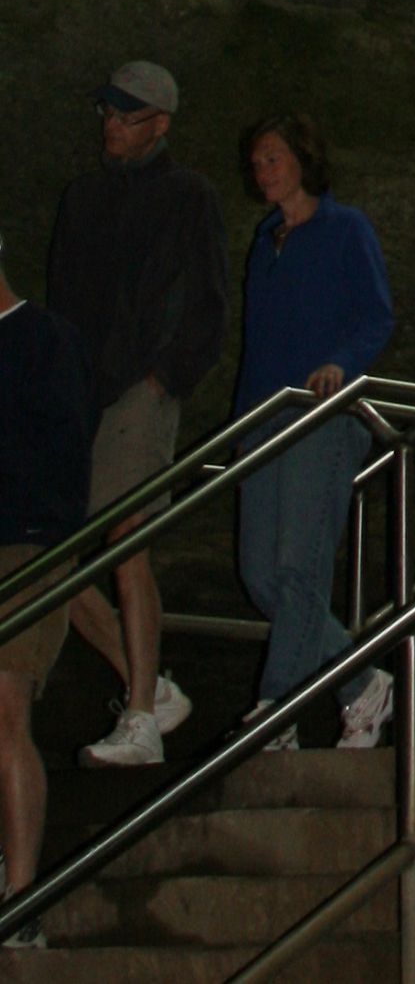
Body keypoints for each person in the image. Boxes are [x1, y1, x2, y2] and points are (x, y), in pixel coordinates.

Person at [43, 60, 228, 769]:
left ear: (161, 124)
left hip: (139, 391)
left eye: (127, 116)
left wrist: (162, 379)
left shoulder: (188, 196)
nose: (112, 126)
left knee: (125, 537)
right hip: (82, 392)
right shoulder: (83, 197)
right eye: (108, 114)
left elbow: (207, 301)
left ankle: (143, 716)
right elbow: (62, 301)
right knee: (45, 558)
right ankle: (151, 685)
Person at [231, 116, 396, 754]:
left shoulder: (345, 227)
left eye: (272, 158)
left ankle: (276, 713)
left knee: (299, 567)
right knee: (261, 576)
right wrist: (242, 426)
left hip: (321, 416)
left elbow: (376, 313)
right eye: (255, 163)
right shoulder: (266, 239)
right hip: (265, 418)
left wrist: (342, 365)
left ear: (303, 159)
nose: (263, 171)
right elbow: (256, 339)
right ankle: (360, 684)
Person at [0, 228, 91, 944]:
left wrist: (44, 546)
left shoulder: (43, 339)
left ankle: (23, 900)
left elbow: (65, 453)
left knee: (6, 712)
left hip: (24, 543)